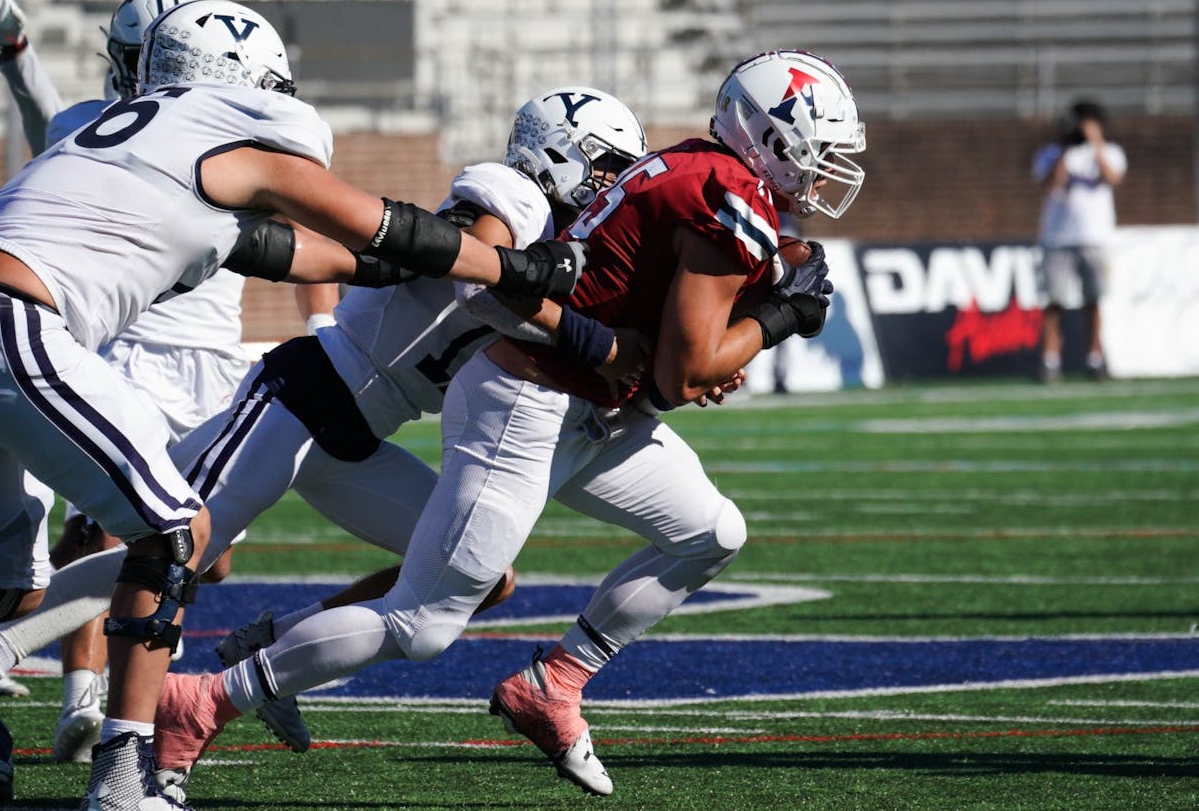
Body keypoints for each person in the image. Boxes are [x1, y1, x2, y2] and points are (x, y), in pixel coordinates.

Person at [0, 0, 581, 811]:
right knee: (164, 539)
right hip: (262, 384)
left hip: (325, 412)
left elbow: (288, 241)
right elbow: (408, 237)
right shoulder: (510, 197)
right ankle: (14, 689)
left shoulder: (170, 139)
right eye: (603, 170)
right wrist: (573, 317)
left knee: (464, 575)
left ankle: (253, 658)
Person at [148, 49, 865, 798]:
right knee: (421, 623)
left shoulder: (704, 171)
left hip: (593, 405)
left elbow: (678, 352)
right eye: (822, 149)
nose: (829, 169)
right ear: (768, 132)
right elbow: (679, 378)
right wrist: (779, 318)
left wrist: (724, 340)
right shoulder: (720, 190)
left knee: (711, 532)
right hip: (527, 403)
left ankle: (554, 682)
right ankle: (202, 701)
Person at [0, 0, 341, 766]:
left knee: (210, 552)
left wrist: (322, 322)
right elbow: (55, 123)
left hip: (215, 362)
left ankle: (132, 689)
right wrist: (16, 58)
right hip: (128, 351)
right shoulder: (98, 123)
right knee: (126, 528)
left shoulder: (235, 128)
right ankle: (88, 700)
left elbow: (300, 218)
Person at [1032, 98, 1125, 382]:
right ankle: (1051, 361)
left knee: (1093, 301)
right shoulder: (1051, 153)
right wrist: (1064, 152)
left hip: (1095, 237)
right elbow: (1049, 185)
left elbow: (1112, 177)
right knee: (1053, 302)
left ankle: (1095, 358)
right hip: (1057, 239)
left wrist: (1095, 144)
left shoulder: (1111, 151)